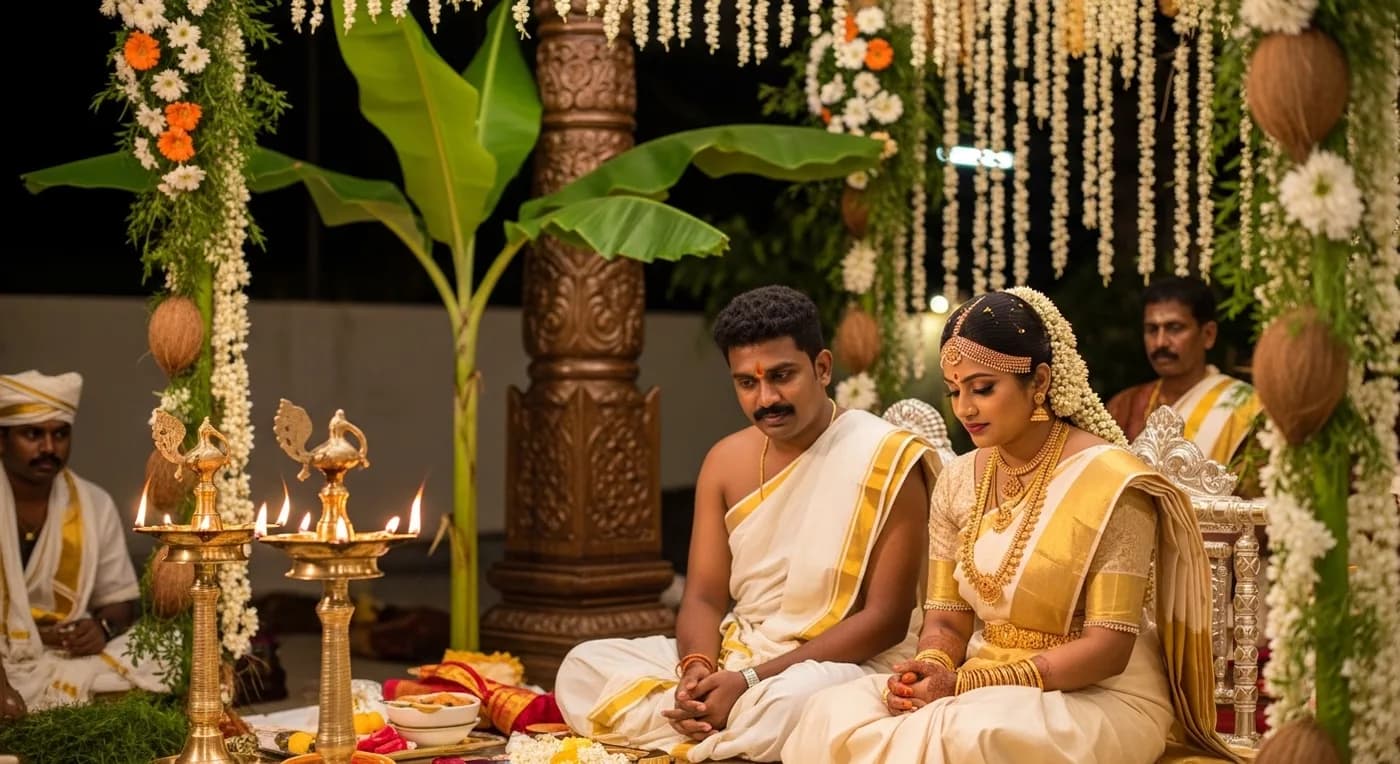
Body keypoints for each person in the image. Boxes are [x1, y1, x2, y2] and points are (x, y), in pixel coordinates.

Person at [784, 289, 1236, 763]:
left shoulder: (1112, 483)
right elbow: (944, 617)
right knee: (828, 712)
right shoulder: (959, 479)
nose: (965, 409)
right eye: (954, 390)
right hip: (982, 679)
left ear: (1039, 381)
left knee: (971, 736)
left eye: (982, 388)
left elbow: (1108, 649)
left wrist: (966, 682)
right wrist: (930, 665)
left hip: (1097, 694)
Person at [553, 286, 941, 762]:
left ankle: (717, 726)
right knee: (581, 666)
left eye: (782, 376)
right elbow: (703, 596)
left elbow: (885, 620)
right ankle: (714, 722)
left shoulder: (885, 458)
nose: (767, 398)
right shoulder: (725, 461)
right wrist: (696, 671)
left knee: (788, 703)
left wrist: (751, 681)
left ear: (822, 367)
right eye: (747, 383)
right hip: (742, 654)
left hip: (840, 664)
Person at [0, 370, 167, 719]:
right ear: (2, 440)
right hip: (5, 657)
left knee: (169, 650)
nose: (49, 448)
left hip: (63, 657)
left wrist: (102, 628)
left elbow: (120, 601)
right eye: (33, 434)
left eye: (60, 434)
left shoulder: (93, 503)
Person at [1107, 276, 1261, 467]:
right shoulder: (1124, 406)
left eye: (1175, 328)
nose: (1160, 342)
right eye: (1152, 329)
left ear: (1208, 335)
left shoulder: (1244, 408)